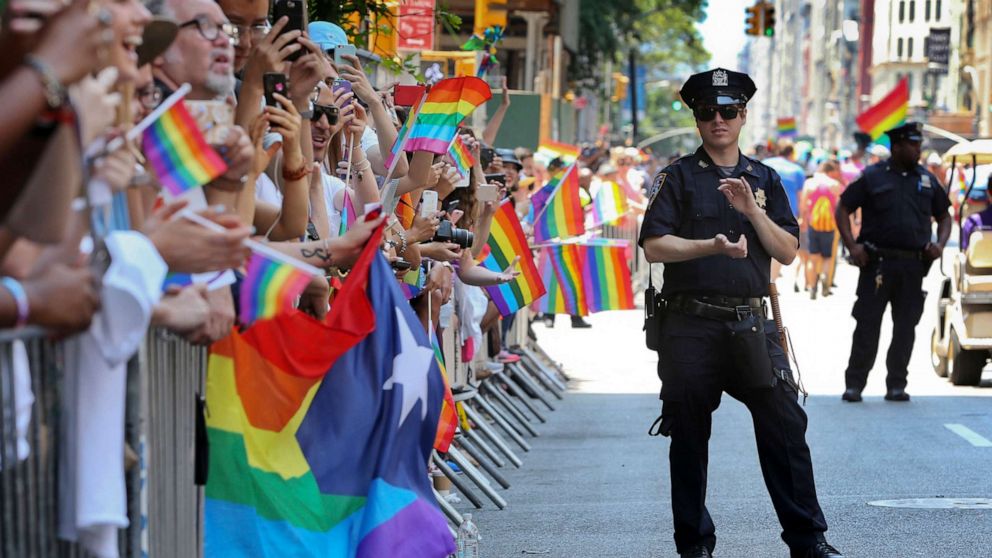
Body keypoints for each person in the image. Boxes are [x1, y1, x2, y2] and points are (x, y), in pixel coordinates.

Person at [639, 68, 841, 558]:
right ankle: (694, 544)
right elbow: (653, 246)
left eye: (728, 111)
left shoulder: (765, 178)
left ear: (743, 116)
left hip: (753, 322)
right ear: (697, 119)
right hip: (690, 323)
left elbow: (789, 250)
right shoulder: (679, 177)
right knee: (687, 433)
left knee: (786, 427)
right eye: (707, 112)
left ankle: (808, 540)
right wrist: (710, 245)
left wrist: (753, 211)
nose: (718, 121)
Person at [835, 122, 951, 403]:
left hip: (913, 267)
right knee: (867, 325)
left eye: (919, 145)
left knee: (905, 328)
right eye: (912, 145)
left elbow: (945, 215)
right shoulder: (873, 176)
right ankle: (855, 384)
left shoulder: (926, 179)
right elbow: (843, 207)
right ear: (897, 146)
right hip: (877, 264)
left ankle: (896, 384)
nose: (917, 150)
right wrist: (852, 246)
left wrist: (940, 244)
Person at [800, 161, 843, 298]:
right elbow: (838, 207)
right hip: (829, 226)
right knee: (827, 257)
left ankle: (813, 288)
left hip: (814, 224)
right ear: (830, 171)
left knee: (813, 258)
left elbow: (803, 206)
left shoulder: (810, 183)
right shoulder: (834, 184)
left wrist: (804, 221)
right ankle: (825, 279)